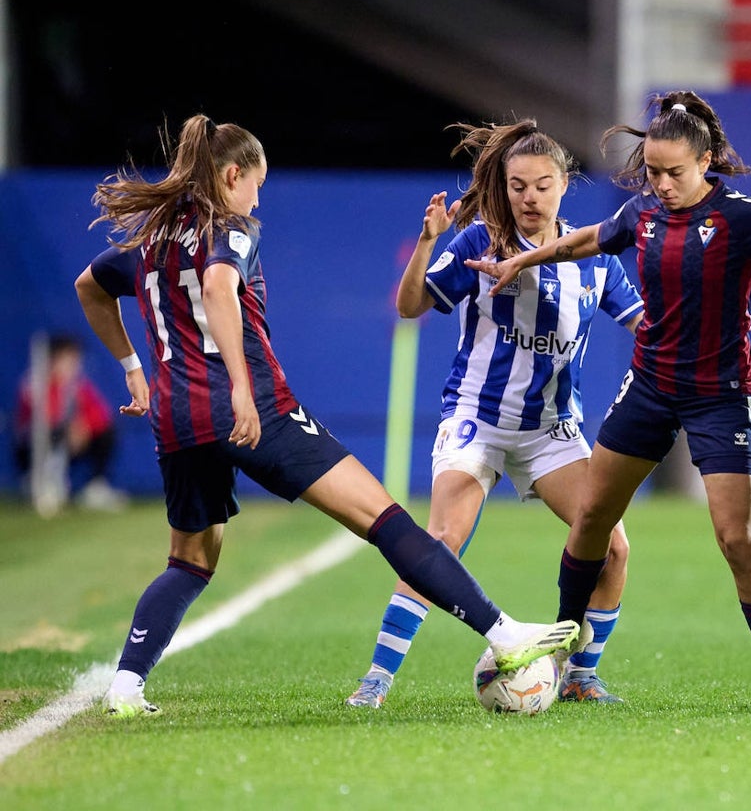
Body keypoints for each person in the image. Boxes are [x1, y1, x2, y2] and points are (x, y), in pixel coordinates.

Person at [75, 113, 579, 718]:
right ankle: (505, 635)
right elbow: (216, 287)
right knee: (387, 520)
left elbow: (89, 286)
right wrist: (238, 385)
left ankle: (126, 687)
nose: (258, 196)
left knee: (188, 561)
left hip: (177, 424)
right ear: (233, 174)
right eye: (256, 182)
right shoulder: (230, 228)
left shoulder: (149, 240)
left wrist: (132, 365)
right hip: (255, 409)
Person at [466, 90, 751, 708]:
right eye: (652, 171)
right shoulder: (641, 213)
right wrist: (524, 260)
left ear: (705, 162)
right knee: (593, 519)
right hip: (649, 387)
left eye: (674, 172)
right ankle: (570, 661)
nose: (662, 183)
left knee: (736, 539)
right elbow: (584, 241)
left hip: (721, 396)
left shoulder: (743, 216)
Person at [344, 119, 643, 709]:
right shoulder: (478, 241)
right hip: (476, 420)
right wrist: (429, 241)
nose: (528, 198)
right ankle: (376, 680)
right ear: (502, 188)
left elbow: (649, 328)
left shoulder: (595, 256)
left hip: (551, 432)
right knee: (441, 542)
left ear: (564, 185)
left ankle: (581, 674)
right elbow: (410, 307)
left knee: (614, 547)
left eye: (541, 185)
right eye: (516, 186)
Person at [12, 332, 129, 513]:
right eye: (68, 358)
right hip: (34, 450)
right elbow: (46, 420)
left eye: (75, 358)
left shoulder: (78, 385)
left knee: (106, 432)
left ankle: (95, 486)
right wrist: (71, 426)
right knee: (53, 433)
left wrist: (85, 427)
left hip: (71, 444)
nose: (74, 363)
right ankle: (41, 482)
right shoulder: (34, 383)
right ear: (53, 359)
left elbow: (102, 414)